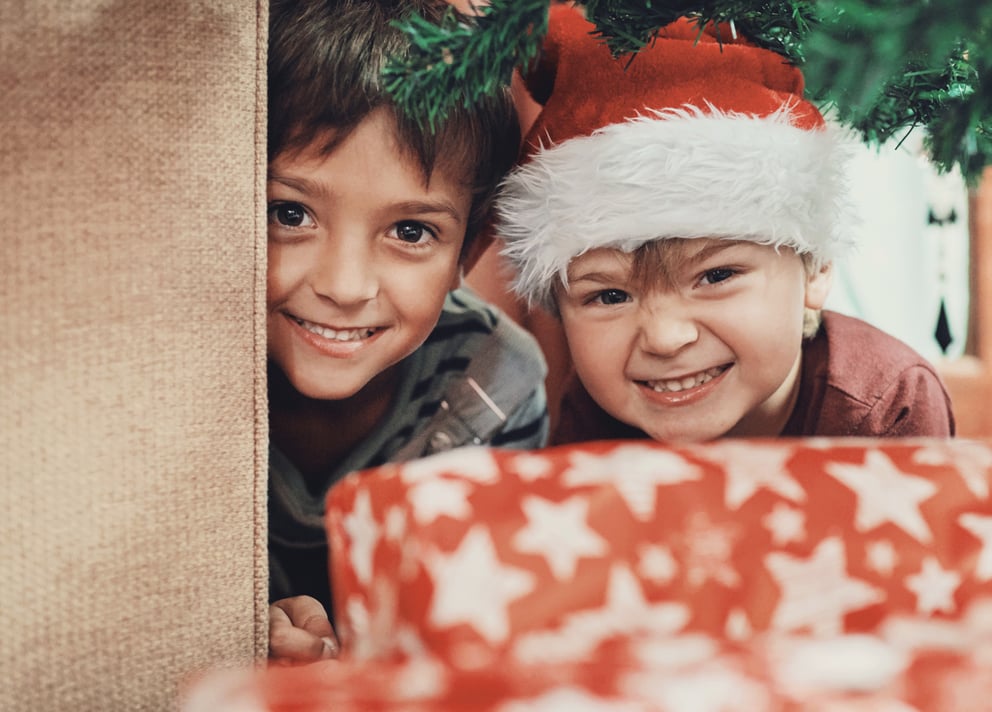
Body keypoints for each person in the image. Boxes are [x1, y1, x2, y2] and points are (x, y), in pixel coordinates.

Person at [495, 5, 954, 445]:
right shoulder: (596, 412)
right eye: (610, 296)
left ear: (816, 267)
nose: (665, 338)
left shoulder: (886, 405)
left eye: (717, 275)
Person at [265, 0, 548, 661]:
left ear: (469, 253)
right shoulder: (181, 363)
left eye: (410, 231)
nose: (344, 284)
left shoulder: (491, 385)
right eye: (290, 212)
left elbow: (477, 619)